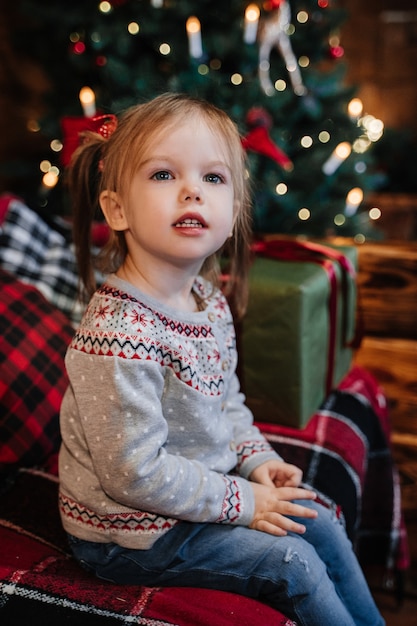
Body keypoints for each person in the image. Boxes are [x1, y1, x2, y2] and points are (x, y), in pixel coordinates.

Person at [59, 92, 384, 626]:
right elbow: (133, 476)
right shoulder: (118, 335)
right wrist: (244, 501)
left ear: (232, 213)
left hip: (196, 494)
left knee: (318, 518)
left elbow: (226, 400)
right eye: (163, 175)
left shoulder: (207, 302)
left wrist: (257, 461)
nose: (192, 190)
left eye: (213, 178)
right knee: (292, 560)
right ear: (116, 208)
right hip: (132, 533)